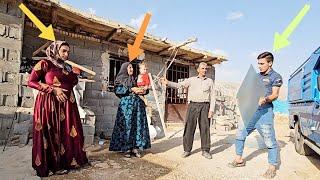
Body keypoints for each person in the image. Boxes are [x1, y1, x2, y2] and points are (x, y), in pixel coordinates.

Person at [28, 41, 88, 177]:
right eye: (64, 51)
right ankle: (50, 166)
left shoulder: (66, 67)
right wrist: (52, 89)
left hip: (67, 106)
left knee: (65, 134)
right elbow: (31, 82)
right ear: (55, 50)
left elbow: (72, 83)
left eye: (68, 52)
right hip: (49, 104)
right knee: (50, 134)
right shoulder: (45, 64)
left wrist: (75, 74)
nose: (66, 54)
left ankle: (64, 162)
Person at [228, 52, 282, 179]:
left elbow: (275, 94)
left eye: (262, 63)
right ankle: (239, 159)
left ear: (270, 63)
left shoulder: (276, 76)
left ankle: (272, 167)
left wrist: (265, 98)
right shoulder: (256, 77)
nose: (259, 66)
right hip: (251, 111)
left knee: (270, 140)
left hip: (265, 112)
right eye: (258, 63)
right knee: (240, 133)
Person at [161, 62, 215, 159]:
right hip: (193, 105)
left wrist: (211, 110)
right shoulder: (191, 80)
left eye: (206, 69)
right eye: (202, 68)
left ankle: (205, 150)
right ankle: (187, 150)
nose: (204, 70)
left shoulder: (210, 81)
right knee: (189, 127)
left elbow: (213, 96)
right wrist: (168, 83)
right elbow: (179, 85)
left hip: (205, 106)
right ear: (198, 69)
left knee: (205, 128)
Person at [109, 62, 151, 158]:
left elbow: (144, 89)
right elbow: (117, 91)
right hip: (126, 107)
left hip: (138, 106)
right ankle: (126, 148)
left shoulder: (135, 79)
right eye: (129, 67)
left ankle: (135, 147)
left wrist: (144, 90)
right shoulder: (120, 79)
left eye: (132, 67)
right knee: (126, 126)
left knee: (137, 126)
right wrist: (131, 89)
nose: (131, 69)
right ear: (124, 69)